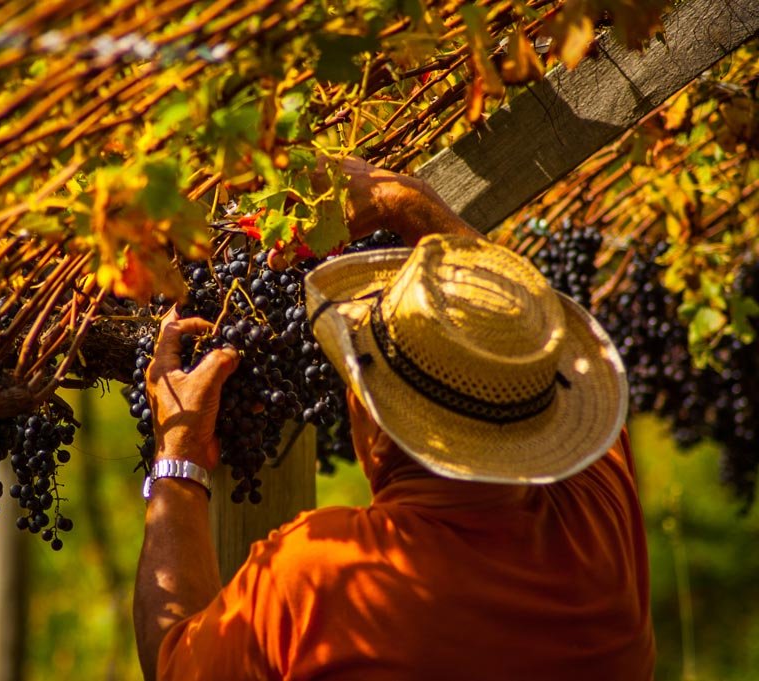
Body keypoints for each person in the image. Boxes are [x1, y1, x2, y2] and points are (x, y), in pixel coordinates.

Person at [133, 157, 656, 680]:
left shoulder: (322, 575)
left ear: (374, 423)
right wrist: (410, 207)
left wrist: (179, 454)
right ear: (541, 421)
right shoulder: (598, 527)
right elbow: (521, 339)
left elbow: (174, 667)